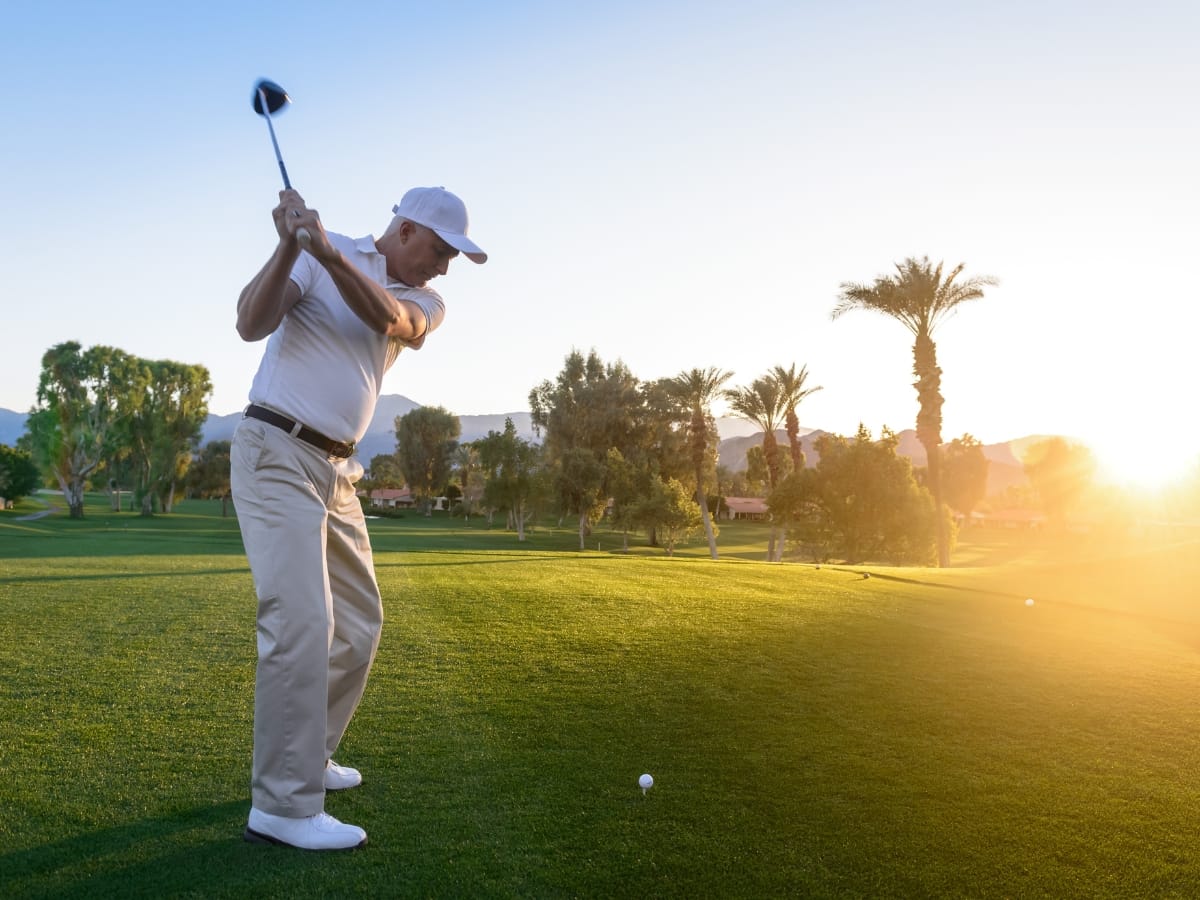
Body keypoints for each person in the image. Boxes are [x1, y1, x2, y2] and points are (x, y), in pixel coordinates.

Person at [230, 185, 487, 850]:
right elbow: (250, 324)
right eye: (440, 250)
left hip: (338, 472)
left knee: (360, 625)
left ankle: (308, 757)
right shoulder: (321, 253)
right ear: (405, 231)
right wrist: (288, 247)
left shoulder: (423, 299)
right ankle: (283, 808)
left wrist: (327, 256)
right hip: (276, 450)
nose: (443, 267)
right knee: (301, 622)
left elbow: (395, 321)